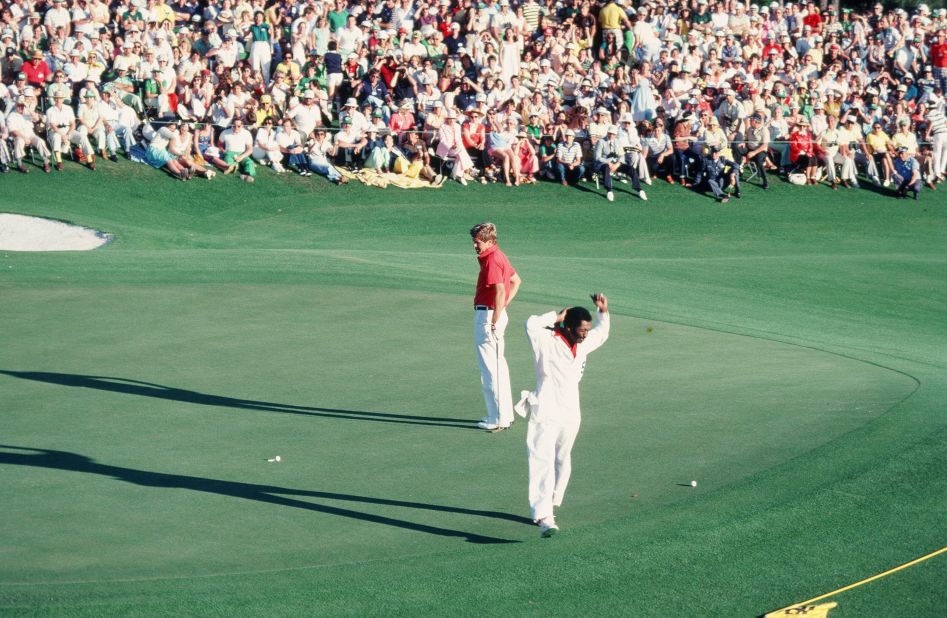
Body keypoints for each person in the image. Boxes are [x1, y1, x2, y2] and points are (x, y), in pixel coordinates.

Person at [518, 293, 610, 537]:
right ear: (567, 326)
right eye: (581, 329)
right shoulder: (546, 339)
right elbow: (529, 324)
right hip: (545, 410)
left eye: (586, 329)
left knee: (562, 457)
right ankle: (544, 515)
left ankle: (553, 501)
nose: (585, 334)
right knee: (542, 461)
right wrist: (556, 316)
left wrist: (602, 311)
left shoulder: (583, 343)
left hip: (570, 411)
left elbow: (602, 334)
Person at [470, 221, 522, 432]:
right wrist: (501, 310)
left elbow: (501, 290)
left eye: (478, 242)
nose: (475, 246)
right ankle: (504, 416)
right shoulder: (498, 255)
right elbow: (517, 281)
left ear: (490, 241)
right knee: (498, 367)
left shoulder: (492, 259)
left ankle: (497, 418)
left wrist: (495, 317)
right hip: (494, 312)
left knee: (491, 370)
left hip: (488, 315)